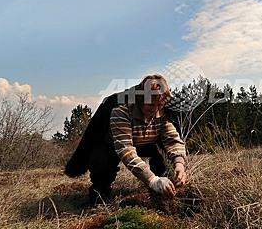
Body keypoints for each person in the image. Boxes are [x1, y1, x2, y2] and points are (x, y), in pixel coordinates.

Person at [64, 74, 187, 204]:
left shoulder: (163, 112)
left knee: (164, 158)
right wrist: (152, 179)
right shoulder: (121, 110)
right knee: (101, 162)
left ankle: (163, 189)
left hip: (148, 143)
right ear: (140, 99)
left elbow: (172, 140)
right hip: (113, 145)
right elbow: (126, 150)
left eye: (159, 105)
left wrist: (179, 164)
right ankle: (100, 193)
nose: (155, 110)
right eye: (150, 104)